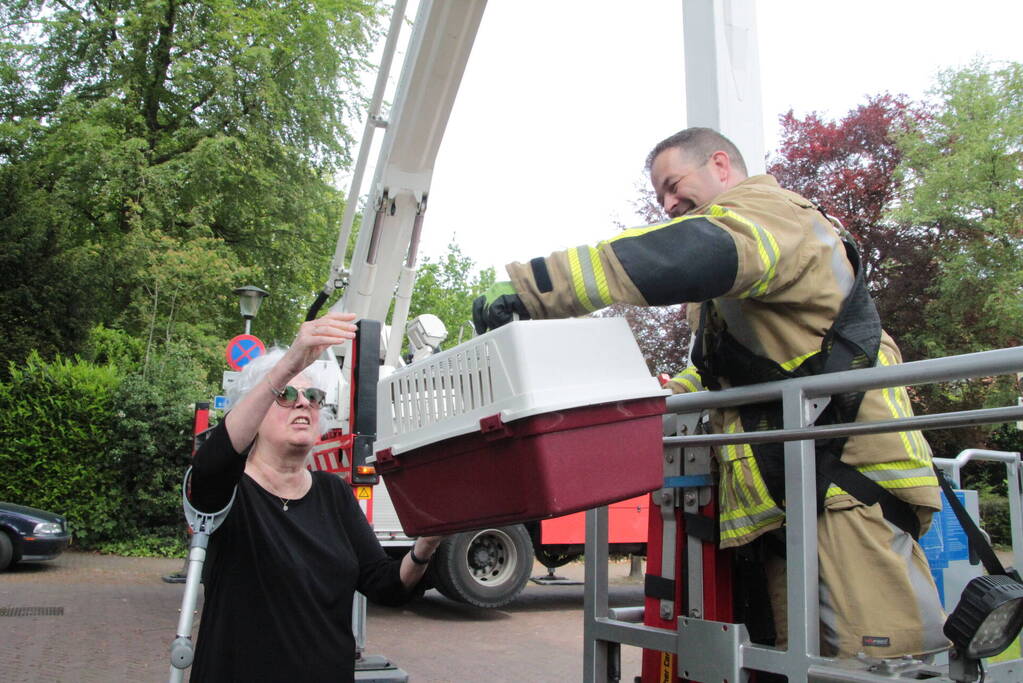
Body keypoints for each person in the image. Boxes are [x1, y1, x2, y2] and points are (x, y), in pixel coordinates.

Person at [472, 127, 947, 659]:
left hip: (845, 496)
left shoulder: (768, 213)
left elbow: (684, 254)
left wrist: (537, 287)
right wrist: (655, 402)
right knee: (796, 665)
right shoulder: (741, 274)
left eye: (674, 185)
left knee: (873, 665)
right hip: (798, 495)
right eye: (661, 198)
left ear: (721, 165)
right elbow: (727, 370)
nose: (669, 204)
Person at [187, 311, 442, 682]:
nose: (303, 402)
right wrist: (290, 362)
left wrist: (426, 545)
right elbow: (211, 462)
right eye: (287, 394)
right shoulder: (228, 491)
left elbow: (385, 584)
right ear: (256, 409)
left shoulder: (333, 493)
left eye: (314, 396)